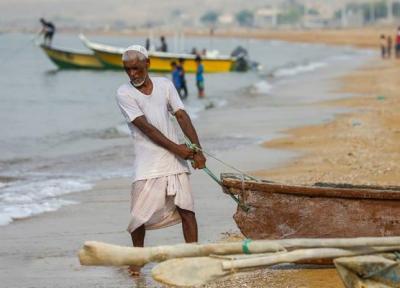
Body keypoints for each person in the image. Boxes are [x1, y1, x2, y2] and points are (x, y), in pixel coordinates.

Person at [116, 45, 206, 276]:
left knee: (187, 210)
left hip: (175, 161)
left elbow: (182, 115)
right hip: (148, 163)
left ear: (148, 63)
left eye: (136, 68)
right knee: (138, 218)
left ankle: (192, 257)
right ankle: (137, 260)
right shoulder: (124, 93)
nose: (132, 74)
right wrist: (179, 148)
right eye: (128, 70)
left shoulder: (165, 85)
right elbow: (148, 129)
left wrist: (197, 150)